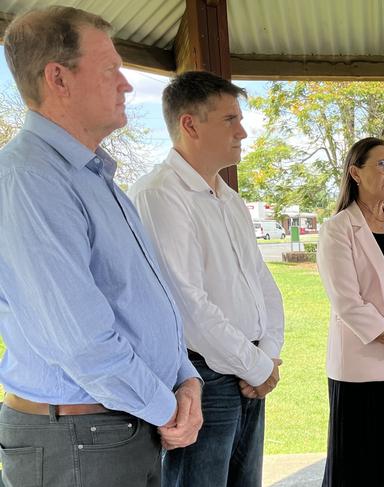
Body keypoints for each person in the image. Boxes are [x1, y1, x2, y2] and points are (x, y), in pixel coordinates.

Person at [0, 7, 202, 487]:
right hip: (79, 437)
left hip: (112, 427)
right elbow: (79, 341)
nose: (126, 85)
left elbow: (142, 303)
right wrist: (167, 405)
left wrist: (185, 377)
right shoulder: (30, 178)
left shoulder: (96, 178)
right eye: (111, 69)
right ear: (59, 78)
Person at [129, 71, 285, 487]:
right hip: (204, 377)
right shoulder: (160, 193)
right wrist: (256, 365)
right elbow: (187, 305)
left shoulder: (228, 198)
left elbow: (261, 281)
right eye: (230, 119)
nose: (244, 132)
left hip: (247, 368)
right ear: (190, 124)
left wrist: (267, 353)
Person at [317, 137, 384, 487]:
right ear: (355, 173)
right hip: (361, 364)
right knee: (356, 465)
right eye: (381, 164)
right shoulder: (338, 228)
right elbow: (346, 299)